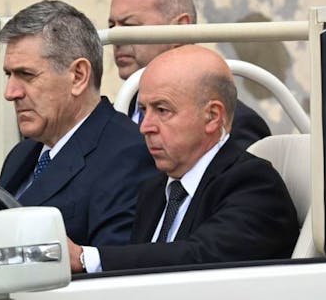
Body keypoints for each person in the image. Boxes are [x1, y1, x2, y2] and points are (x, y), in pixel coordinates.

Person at [68, 45, 299, 273]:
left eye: (162, 110)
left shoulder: (253, 184)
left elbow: (200, 258)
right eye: (143, 110)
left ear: (212, 117)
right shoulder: (155, 189)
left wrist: (86, 258)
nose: (145, 127)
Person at [0, 0, 159, 246]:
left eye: (27, 75)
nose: (11, 92)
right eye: (10, 75)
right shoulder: (22, 154)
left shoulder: (128, 154)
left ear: (79, 76)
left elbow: (113, 271)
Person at [108, 0, 271, 149]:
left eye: (130, 26)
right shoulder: (119, 112)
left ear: (181, 29)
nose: (116, 38)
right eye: (111, 27)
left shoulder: (233, 124)